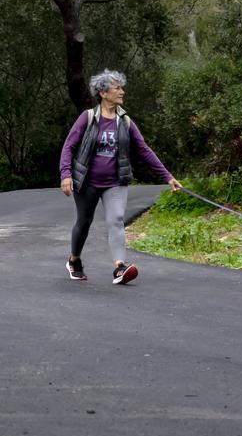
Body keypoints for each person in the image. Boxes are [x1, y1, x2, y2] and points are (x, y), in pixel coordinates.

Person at [59, 69, 182, 285]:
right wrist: (66, 174)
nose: (122, 92)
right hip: (86, 182)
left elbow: (144, 150)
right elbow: (69, 146)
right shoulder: (87, 118)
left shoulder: (124, 121)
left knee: (116, 220)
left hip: (115, 182)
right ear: (103, 93)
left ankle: (119, 267)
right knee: (84, 222)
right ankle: (74, 260)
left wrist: (167, 177)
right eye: (117, 88)